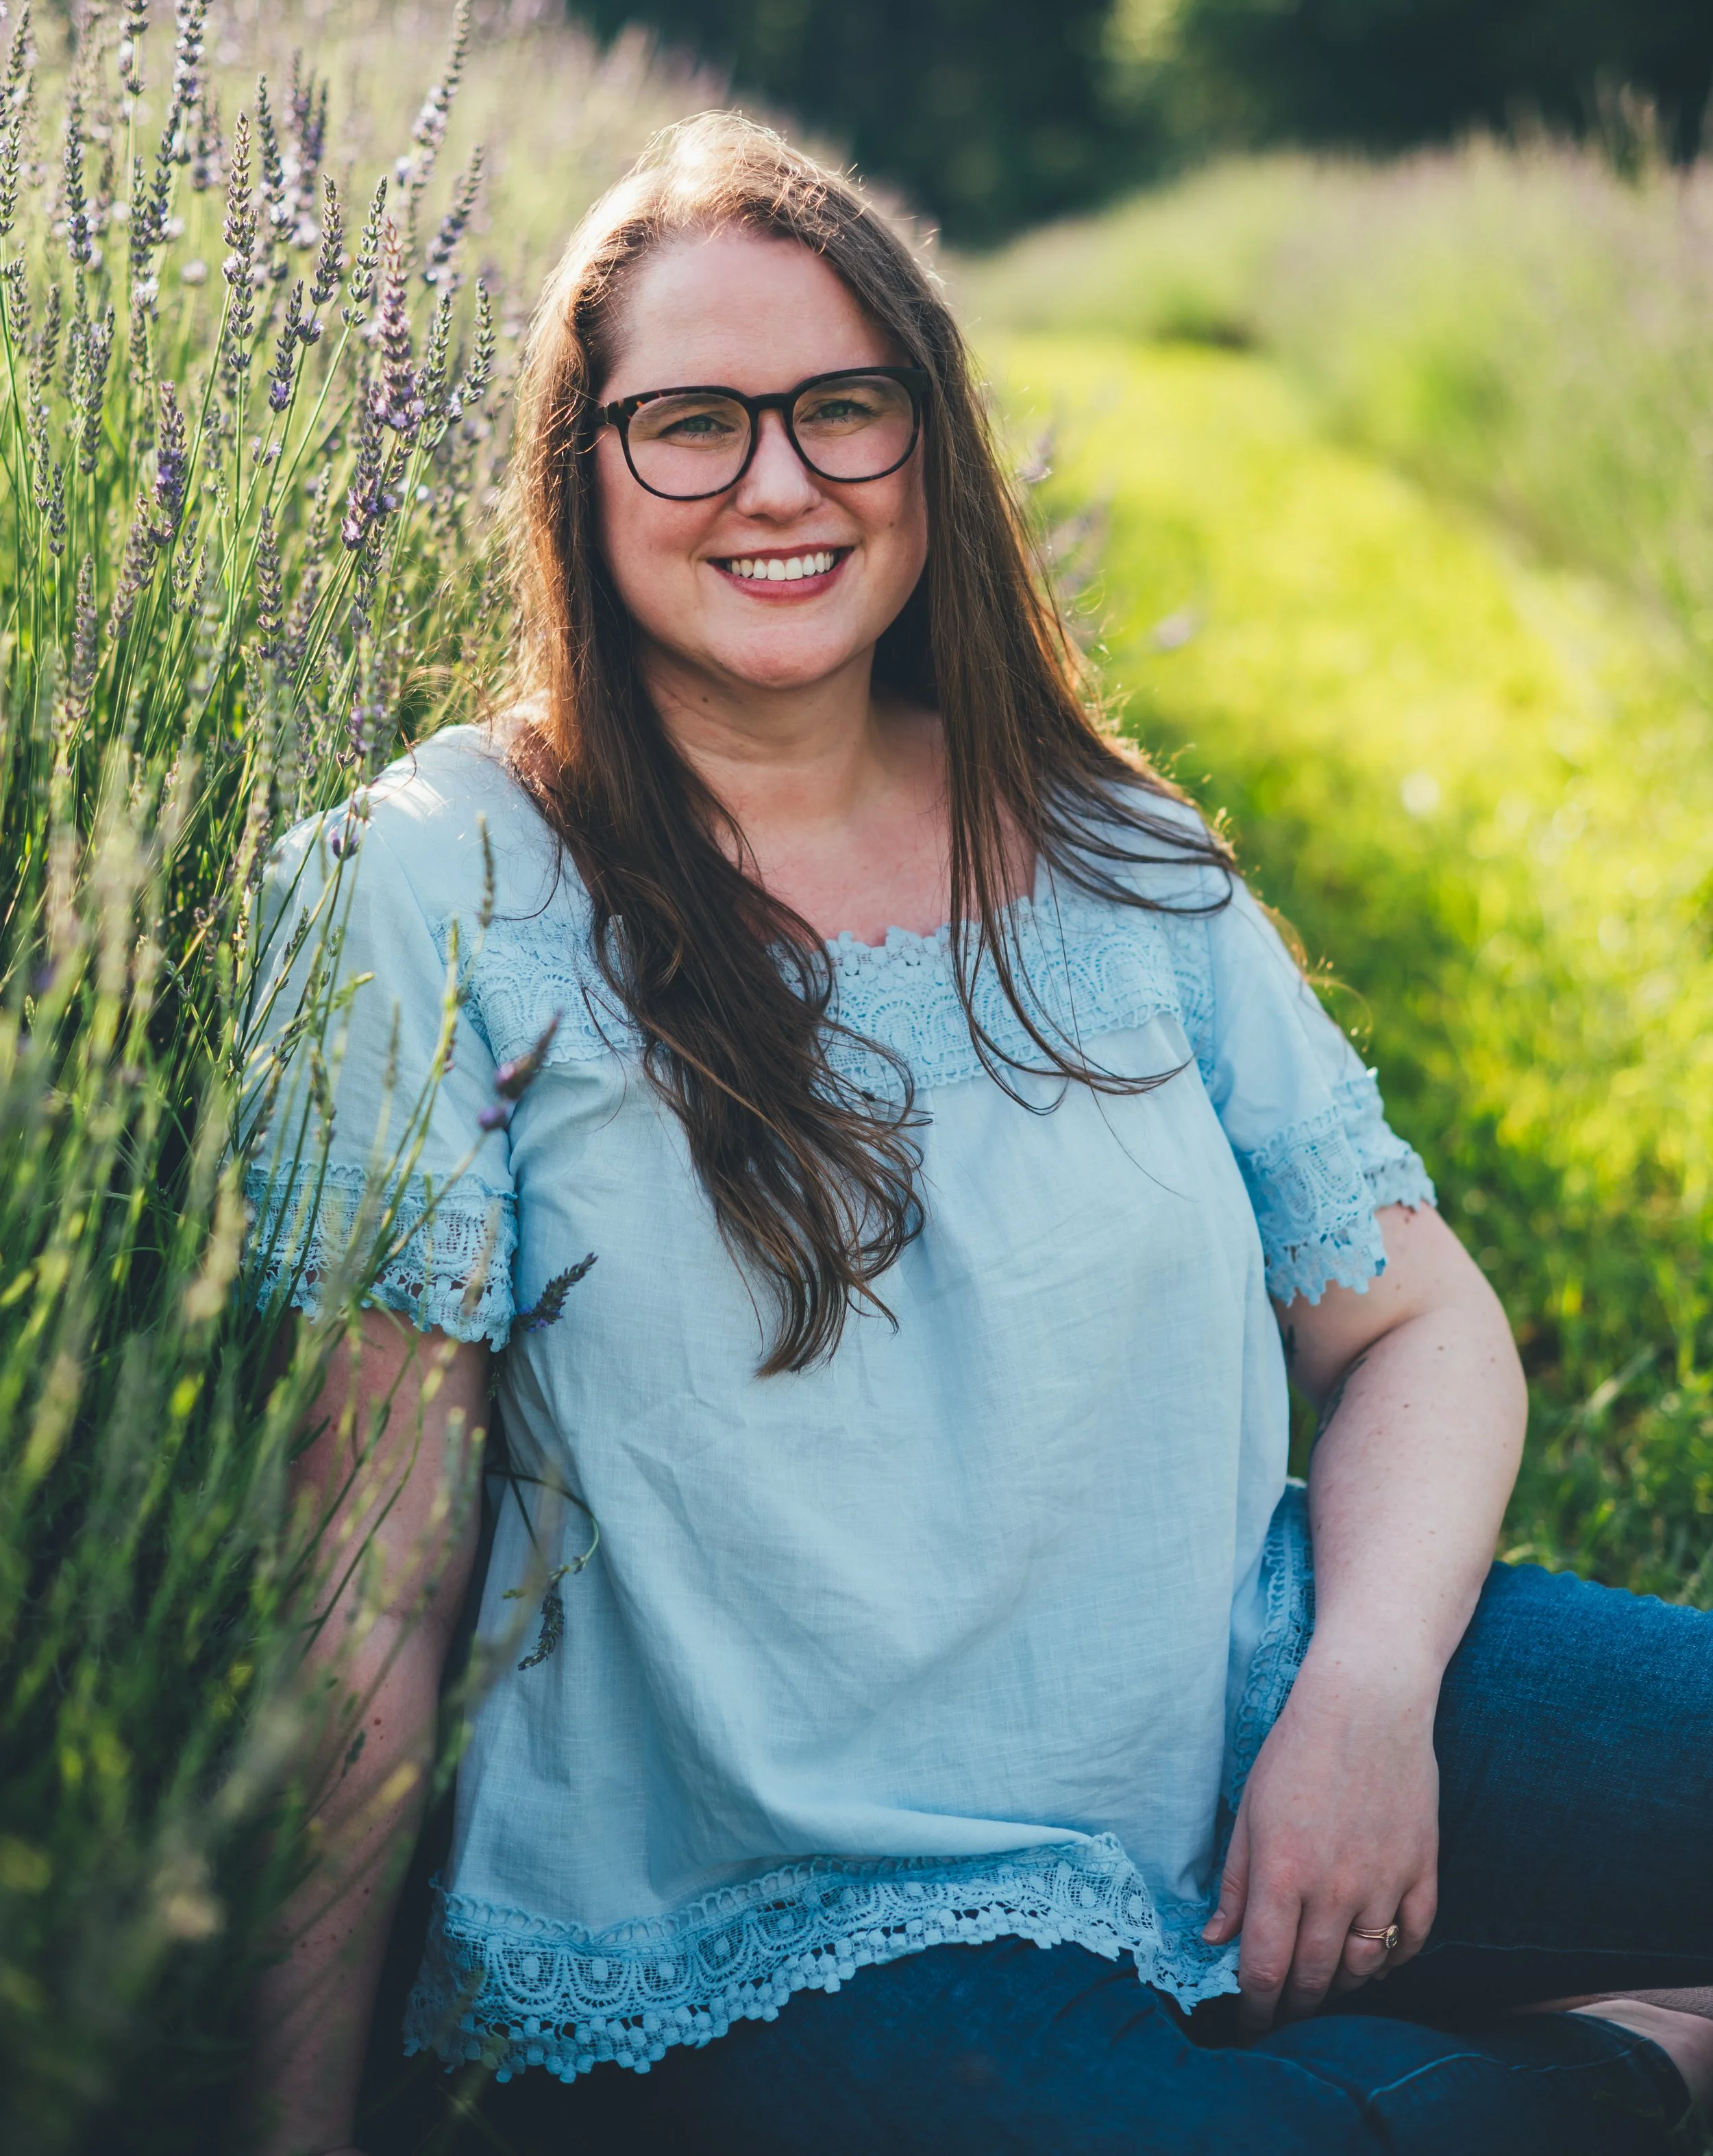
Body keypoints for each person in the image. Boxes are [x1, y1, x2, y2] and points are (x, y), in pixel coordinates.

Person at [246, 114, 1713, 2156]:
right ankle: (1621, 2062)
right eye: (689, 422)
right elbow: (368, 1567)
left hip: (1232, 1712)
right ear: (577, 473)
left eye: (842, 407)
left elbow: (1414, 1327)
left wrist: (1363, 1701)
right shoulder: (432, 890)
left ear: (929, 441)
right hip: (772, 1906)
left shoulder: (1114, 855)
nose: (777, 481)